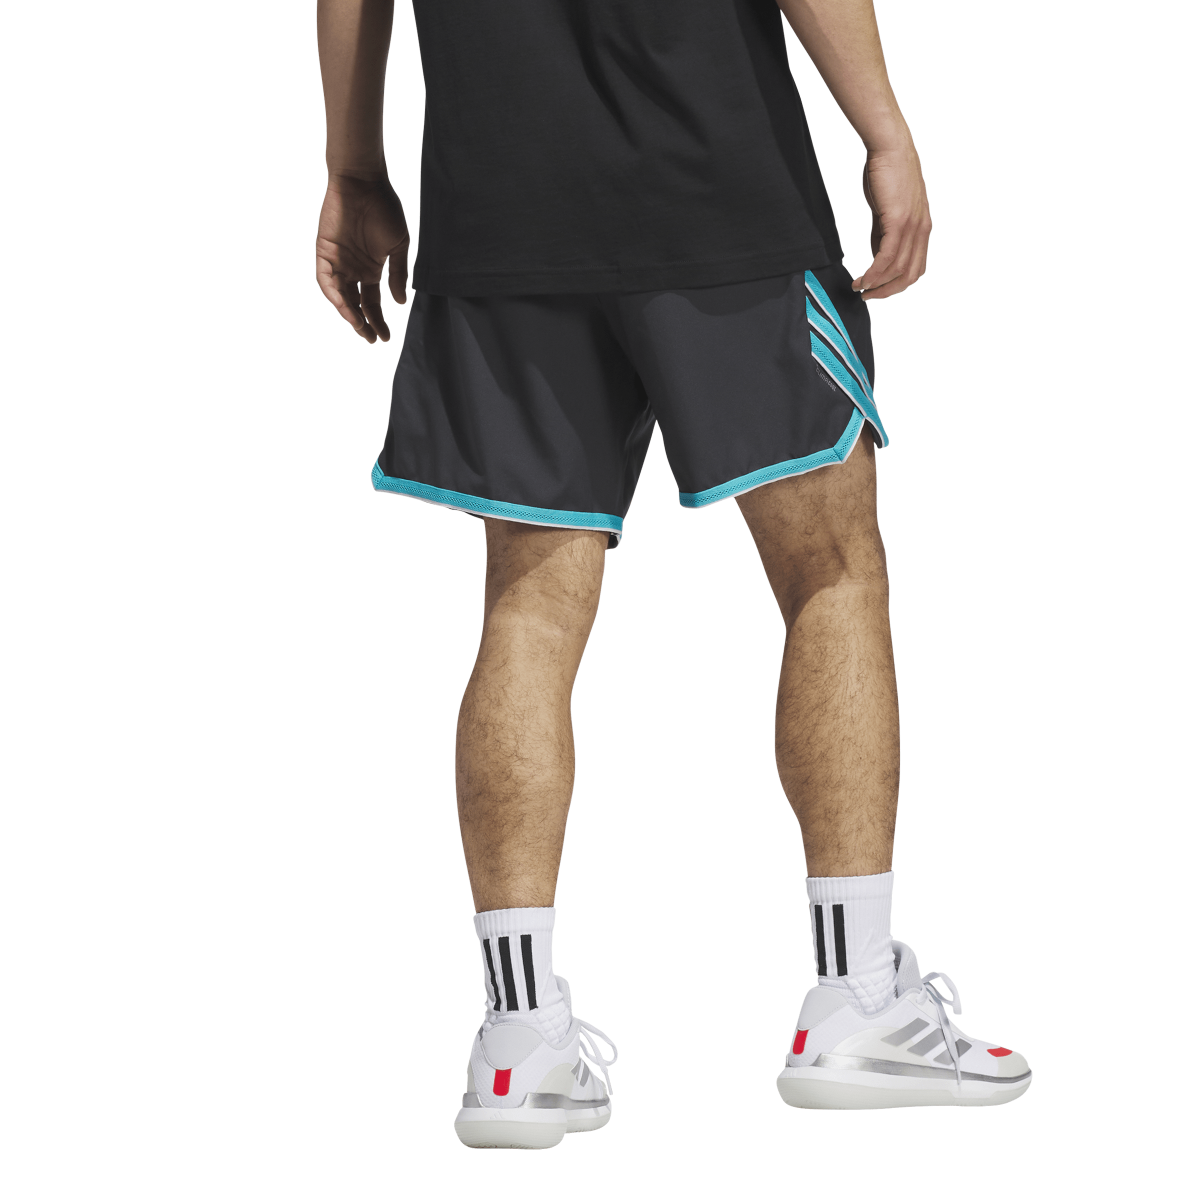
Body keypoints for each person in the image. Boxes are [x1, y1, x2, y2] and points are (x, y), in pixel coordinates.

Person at [316, 0, 1030, 1148]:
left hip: (500, 199)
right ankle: (856, 1003)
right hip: (718, 186)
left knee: (527, 607)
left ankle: (518, 1044)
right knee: (832, 574)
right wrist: (885, 131)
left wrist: (354, 169)